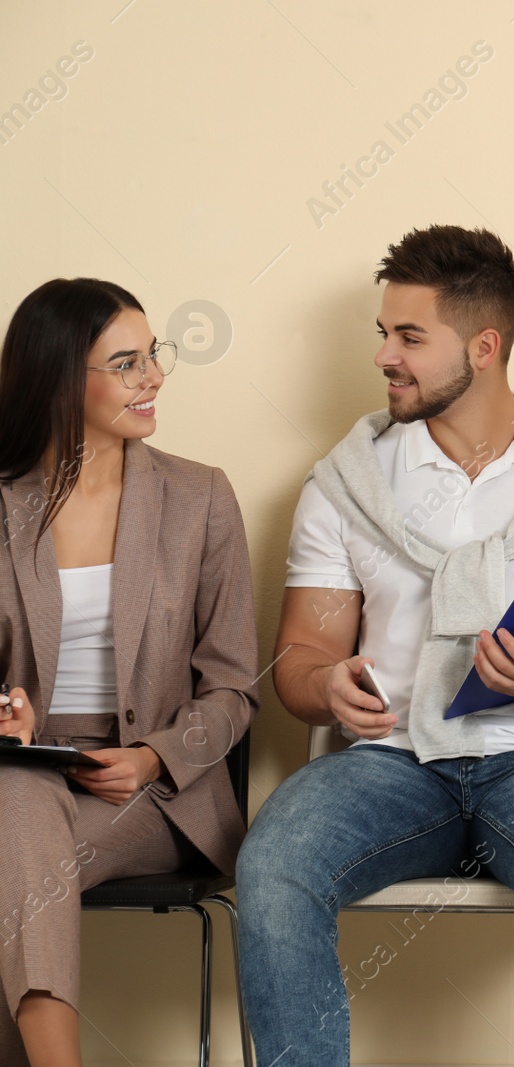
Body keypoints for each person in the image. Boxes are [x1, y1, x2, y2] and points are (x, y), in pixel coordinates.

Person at [237, 225, 514, 1067]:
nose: (384, 356)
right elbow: (299, 655)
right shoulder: (349, 484)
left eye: (409, 337)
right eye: (383, 333)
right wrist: (324, 683)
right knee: (275, 865)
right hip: (392, 761)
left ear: (484, 346)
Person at [0, 278, 258, 1067]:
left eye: (153, 356)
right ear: (56, 378)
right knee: (17, 798)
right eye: (126, 362)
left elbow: (235, 684)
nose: (153, 377)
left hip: (154, 788)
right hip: (24, 770)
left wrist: (154, 756)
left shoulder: (198, 496)